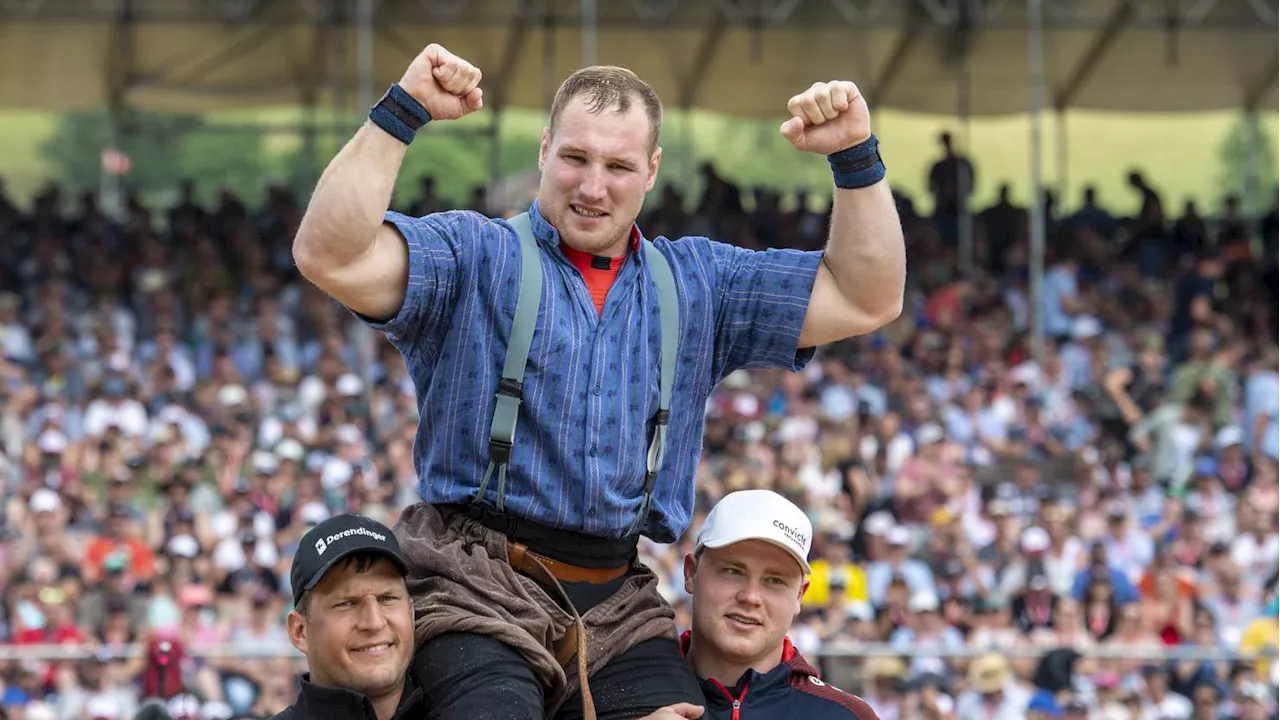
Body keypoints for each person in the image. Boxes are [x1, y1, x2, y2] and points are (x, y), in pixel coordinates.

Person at [292, 40, 905, 720]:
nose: (592, 186)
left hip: (617, 597)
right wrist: (402, 111)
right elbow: (329, 254)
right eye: (576, 159)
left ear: (652, 171)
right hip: (477, 582)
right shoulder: (475, 254)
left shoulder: (701, 283)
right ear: (544, 150)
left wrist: (855, 158)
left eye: (618, 166)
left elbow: (865, 297)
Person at [678, 489, 880, 719]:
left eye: (774, 580)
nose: (751, 597)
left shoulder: (847, 715)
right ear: (691, 573)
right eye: (733, 571)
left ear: (799, 596)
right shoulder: (636, 695)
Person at [272, 514, 424, 720]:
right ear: (300, 631)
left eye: (387, 598)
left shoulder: (469, 706)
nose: (374, 622)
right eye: (346, 603)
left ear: (410, 612)